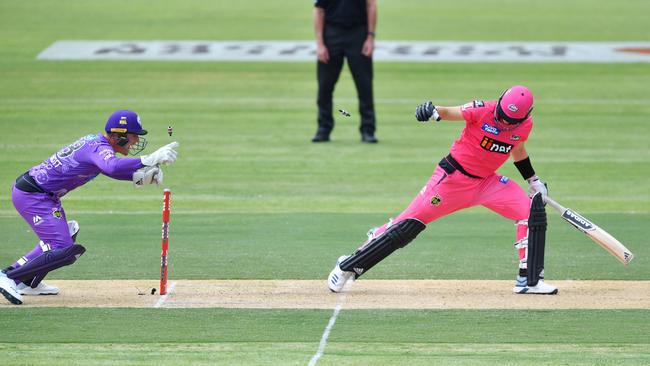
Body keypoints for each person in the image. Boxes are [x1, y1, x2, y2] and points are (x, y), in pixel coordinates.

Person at [327, 86, 559, 295]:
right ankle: (348, 265)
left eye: (511, 121)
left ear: (525, 117)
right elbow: (449, 112)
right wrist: (432, 111)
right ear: (498, 103)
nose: (504, 123)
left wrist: (533, 180)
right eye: (502, 116)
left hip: (487, 183)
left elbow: (517, 149)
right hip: (452, 181)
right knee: (406, 225)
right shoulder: (483, 109)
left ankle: (528, 280)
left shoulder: (525, 126)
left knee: (530, 213)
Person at [0, 110, 179, 305]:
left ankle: (28, 282)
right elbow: (111, 167)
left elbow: (110, 170)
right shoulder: (97, 147)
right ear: (119, 135)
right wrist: (148, 159)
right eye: (133, 136)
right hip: (33, 195)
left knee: (68, 233)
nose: (136, 141)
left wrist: (140, 177)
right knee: (62, 248)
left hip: (44, 196)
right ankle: (8, 276)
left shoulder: (98, 146)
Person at [312, 0, 378, 143]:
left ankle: (368, 130)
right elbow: (319, 10)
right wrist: (320, 44)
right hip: (331, 34)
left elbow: (371, 4)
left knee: (364, 84)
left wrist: (370, 37)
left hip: (358, 33)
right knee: (325, 85)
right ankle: (323, 128)